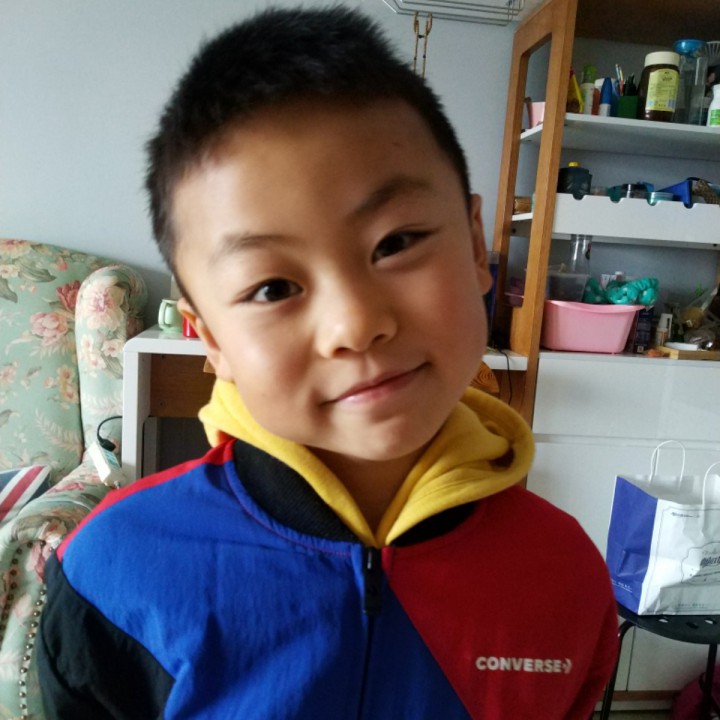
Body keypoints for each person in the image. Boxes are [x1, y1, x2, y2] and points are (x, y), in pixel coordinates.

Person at [37, 7, 618, 718]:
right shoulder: (112, 571)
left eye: (396, 242)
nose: (355, 324)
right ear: (210, 338)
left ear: (475, 245)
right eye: (272, 288)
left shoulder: (566, 576)